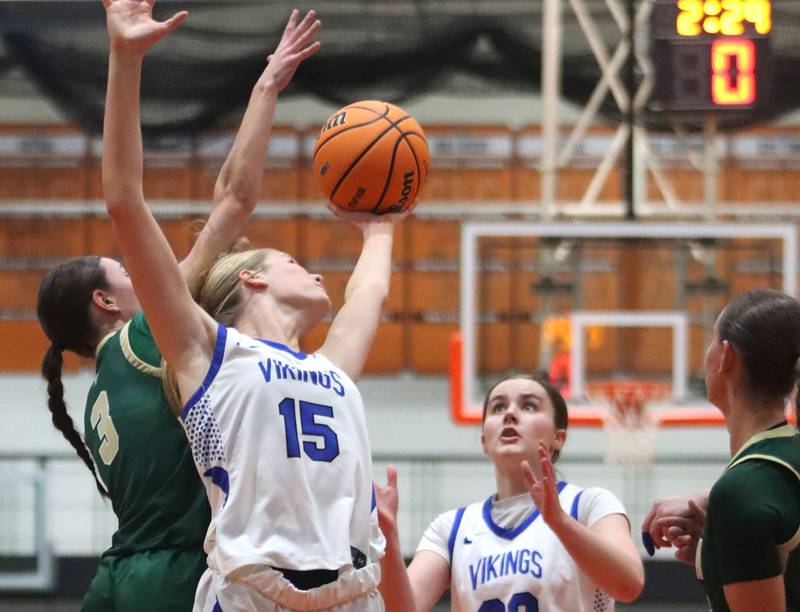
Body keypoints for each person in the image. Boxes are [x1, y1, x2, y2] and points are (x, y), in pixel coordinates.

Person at [101, 0, 408, 609]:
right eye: (292, 262)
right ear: (253, 280)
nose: (315, 271)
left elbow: (369, 292)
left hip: (353, 592)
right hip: (253, 592)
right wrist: (124, 59)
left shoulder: (331, 368)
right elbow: (125, 201)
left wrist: (382, 226)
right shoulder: (205, 352)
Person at [36, 2, 319, 609]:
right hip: (173, 576)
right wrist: (266, 87)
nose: (143, 270)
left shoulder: (99, 392)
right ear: (105, 301)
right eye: (124, 268)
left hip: (119, 576)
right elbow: (232, 202)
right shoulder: (141, 337)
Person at [377, 375, 644, 612]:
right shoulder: (451, 528)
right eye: (498, 407)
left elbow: (629, 585)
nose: (510, 414)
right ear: (484, 440)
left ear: (558, 437)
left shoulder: (589, 505)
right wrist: (387, 538)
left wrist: (560, 523)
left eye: (528, 406)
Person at [643, 289, 800, 612]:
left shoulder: (742, 489)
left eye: (711, 340)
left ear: (726, 357)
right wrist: (720, 550)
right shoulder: (780, 462)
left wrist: (729, 510)